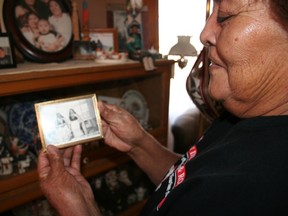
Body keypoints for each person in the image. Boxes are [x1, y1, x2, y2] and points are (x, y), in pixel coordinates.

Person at [37, 0, 288, 215]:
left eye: (225, 15)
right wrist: (139, 144)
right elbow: (189, 180)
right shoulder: (244, 114)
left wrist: (80, 210)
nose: (205, 33)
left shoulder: (261, 191)